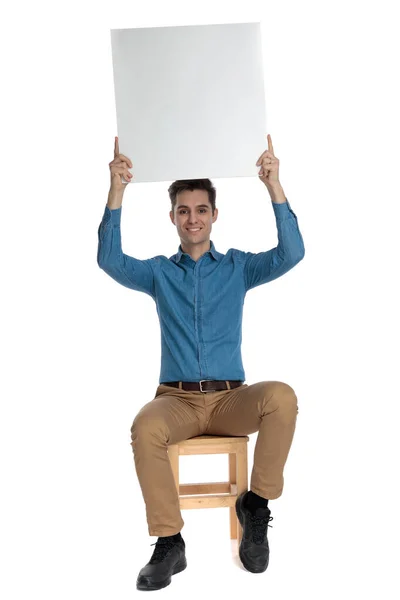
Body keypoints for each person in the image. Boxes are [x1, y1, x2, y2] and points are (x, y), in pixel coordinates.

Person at [97, 135, 305, 591]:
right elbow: (108, 259)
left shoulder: (237, 267)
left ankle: (256, 505)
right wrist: (117, 191)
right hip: (178, 401)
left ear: (214, 214)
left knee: (281, 397)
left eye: (201, 210)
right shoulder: (158, 272)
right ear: (172, 216)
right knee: (145, 427)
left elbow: (292, 253)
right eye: (184, 211)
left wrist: (274, 185)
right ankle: (170, 542)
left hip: (232, 399)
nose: (193, 218)